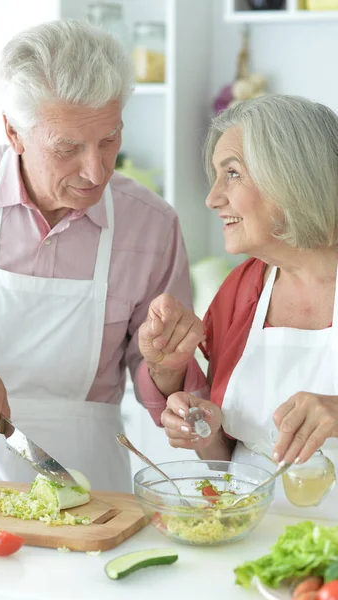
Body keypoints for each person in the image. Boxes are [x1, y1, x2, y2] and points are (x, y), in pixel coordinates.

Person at [0, 20, 193, 492]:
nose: (95, 171)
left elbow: (158, 383)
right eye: (68, 148)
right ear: (14, 133)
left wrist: (165, 367)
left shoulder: (153, 226)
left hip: (92, 489)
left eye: (109, 140)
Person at [139, 94, 338, 518]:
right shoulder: (241, 290)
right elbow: (229, 453)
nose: (212, 199)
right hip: (251, 532)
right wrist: (204, 429)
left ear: (294, 178)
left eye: (232, 174)